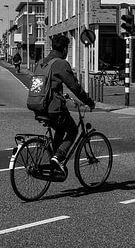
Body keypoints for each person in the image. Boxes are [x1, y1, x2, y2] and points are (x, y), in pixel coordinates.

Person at [33, 33, 95, 173]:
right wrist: (89, 102)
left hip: (38, 106)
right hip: (53, 108)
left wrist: (60, 94)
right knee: (73, 130)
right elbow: (75, 87)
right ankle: (58, 157)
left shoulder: (41, 62)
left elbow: (41, 86)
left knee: (60, 128)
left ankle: (54, 158)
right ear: (65, 49)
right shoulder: (60, 64)